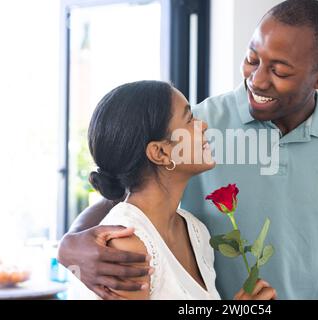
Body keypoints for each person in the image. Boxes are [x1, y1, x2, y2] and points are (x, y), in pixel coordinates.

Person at [58, 0, 318, 299]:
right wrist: (70, 246)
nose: (258, 80)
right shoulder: (196, 130)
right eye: (251, 59)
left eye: (279, 71)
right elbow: (124, 192)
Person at [75, 80, 276, 300]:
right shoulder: (127, 246)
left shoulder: (195, 231)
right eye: (189, 120)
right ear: (160, 152)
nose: (204, 126)